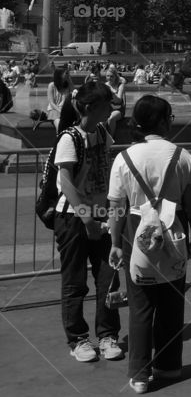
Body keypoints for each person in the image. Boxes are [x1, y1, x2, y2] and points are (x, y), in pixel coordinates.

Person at [108, 95, 191, 394]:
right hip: (174, 228)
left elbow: (116, 207)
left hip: (136, 231)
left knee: (140, 304)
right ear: (162, 121)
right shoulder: (182, 156)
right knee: (172, 300)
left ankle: (139, 373)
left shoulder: (124, 158)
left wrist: (115, 243)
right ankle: (169, 364)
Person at [53, 82, 119, 364]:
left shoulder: (103, 132)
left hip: (101, 215)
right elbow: (66, 182)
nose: (113, 108)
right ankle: (78, 338)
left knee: (108, 278)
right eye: (108, 104)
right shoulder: (69, 137)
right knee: (75, 282)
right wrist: (87, 218)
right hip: (73, 217)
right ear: (91, 107)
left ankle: (107, 334)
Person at [47, 67, 72, 131]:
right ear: (59, 75)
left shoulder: (67, 85)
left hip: (64, 109)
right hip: (54, 110)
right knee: (59, 124)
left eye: (67, 73)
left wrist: (69, 79)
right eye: (65, 73)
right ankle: (60, 136)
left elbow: (73, 92)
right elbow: (51, 103)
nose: (66, 74)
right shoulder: (51, 85)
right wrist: (60, 110)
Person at [104, 66, 126, 132]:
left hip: (118, 109)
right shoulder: (105, 85)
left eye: (111, 76)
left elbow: (119, 100)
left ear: (115, 77)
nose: (109, 78)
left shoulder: (120, 85)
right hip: (108, 108)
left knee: (111, 118)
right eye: (107, 76)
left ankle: (111, 139)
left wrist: (111, 92)